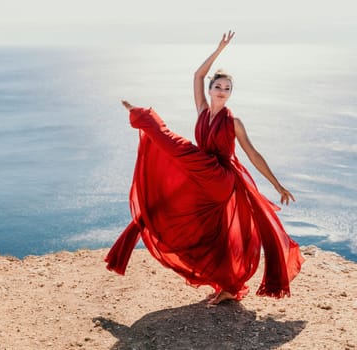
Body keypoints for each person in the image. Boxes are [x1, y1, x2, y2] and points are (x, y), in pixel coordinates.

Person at [105, 31, 304, 304]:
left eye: (227, 89)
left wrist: (277, 184)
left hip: (219, 176)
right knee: (178, 212)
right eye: (218, 87)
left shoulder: (234, 121)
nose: (222, 92)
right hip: (202, 174)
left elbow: (253, 154)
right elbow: (197, 75)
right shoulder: (202, 110)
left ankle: (142, 116)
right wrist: (219, 49)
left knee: (173, 144)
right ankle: (228, 287)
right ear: (210, 90)